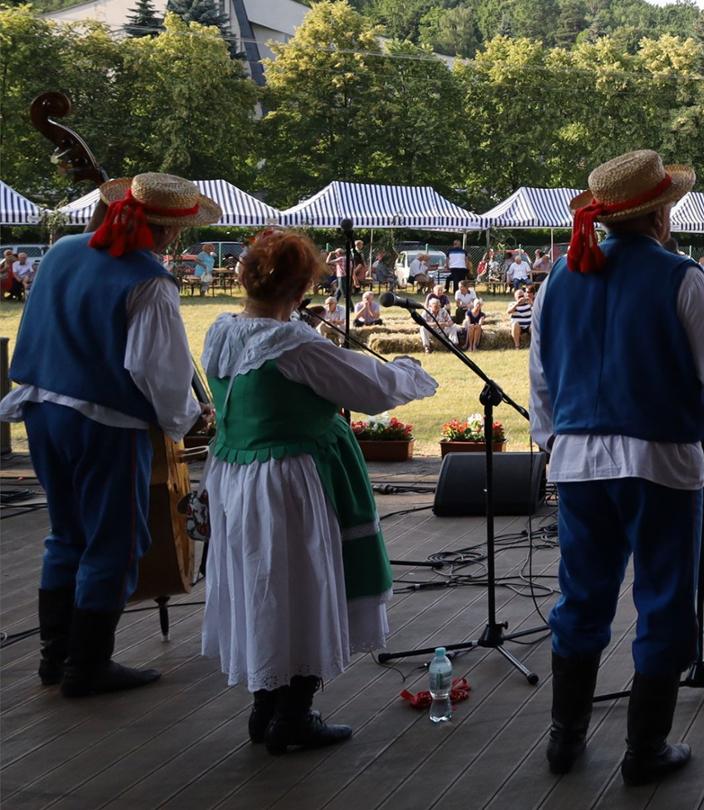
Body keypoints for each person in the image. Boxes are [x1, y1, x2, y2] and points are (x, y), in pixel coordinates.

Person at [531, 148, 704, 784]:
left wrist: (552, 447)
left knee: (582, 597)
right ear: (660, 213)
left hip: (577, 463)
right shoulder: (681, 277)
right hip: (661, 463)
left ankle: (564, 739)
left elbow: (541, 382)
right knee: (665, 600)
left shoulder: (555, 280)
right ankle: (643, 750)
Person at [197, 229, 437, 753]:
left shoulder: (221, 332)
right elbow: (373, 389)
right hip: (288, 482)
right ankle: (293, 717)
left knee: (262, 586)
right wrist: (411, 372)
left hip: (238, 479)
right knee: (300, 588)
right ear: (303, 286)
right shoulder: (292, 344)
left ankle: (267, 707)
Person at [1, 172, 213, 698]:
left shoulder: (60, 252)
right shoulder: (149, 280)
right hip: (105, 422)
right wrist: (190, 418)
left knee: (66, 533)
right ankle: (88, 666)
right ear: (168, 233)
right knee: (113, 542)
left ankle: (57, 657)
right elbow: (158, 374)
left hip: (40, 409)